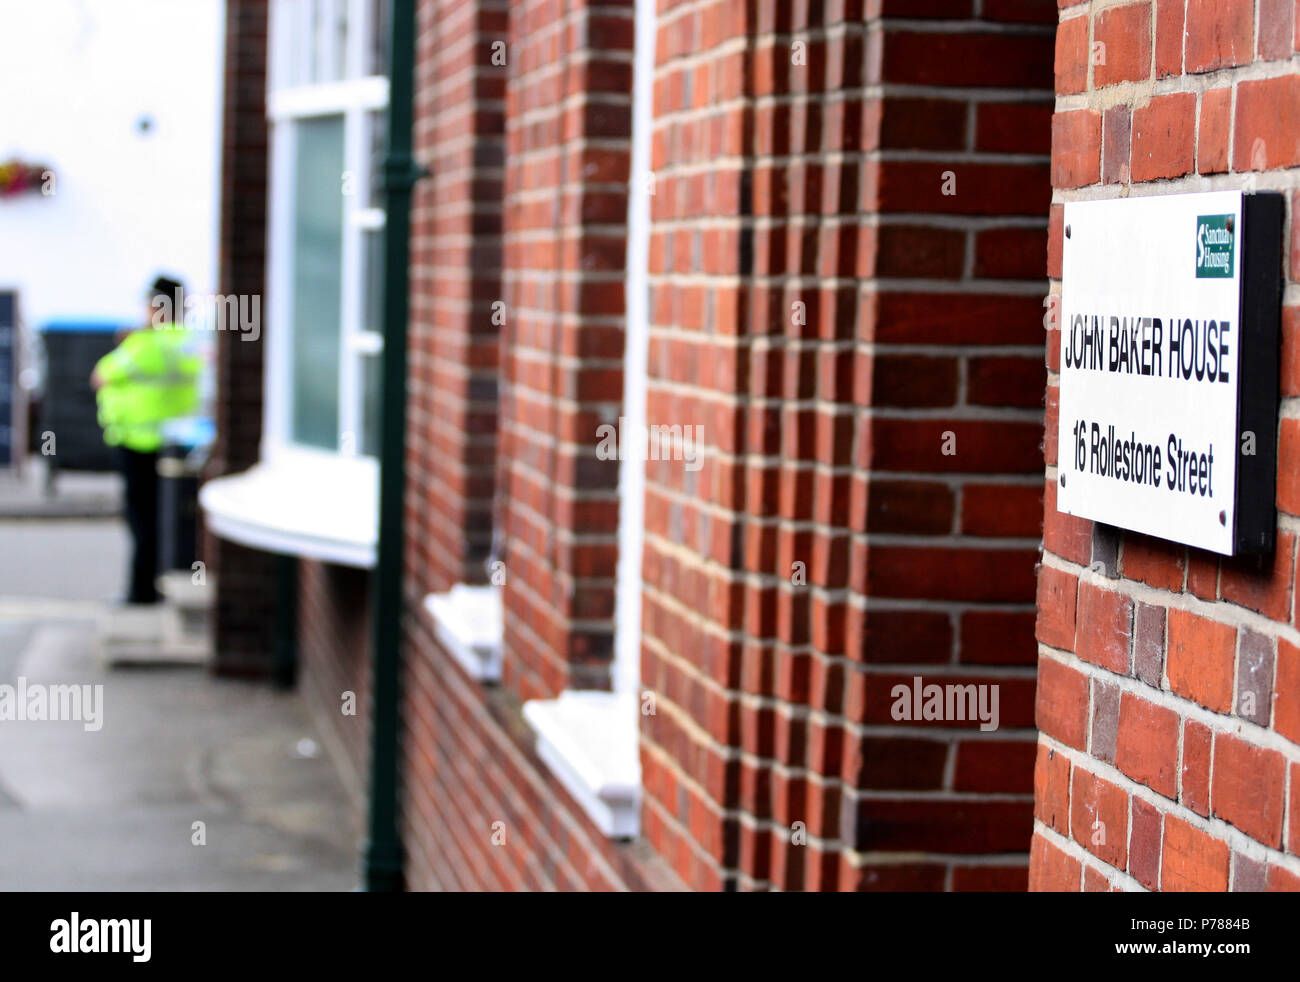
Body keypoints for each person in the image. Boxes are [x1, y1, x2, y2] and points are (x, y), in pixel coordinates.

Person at [91, 276, 201, 605]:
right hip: (176, 443)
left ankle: (141, 593)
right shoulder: (187, 341)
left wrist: (132, 339)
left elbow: (100, 376)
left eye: (149, 303)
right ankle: (158, 584)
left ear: (159, 306)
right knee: (167, 519)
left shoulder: (145, 344)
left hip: (138, 442)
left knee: (141, 521)